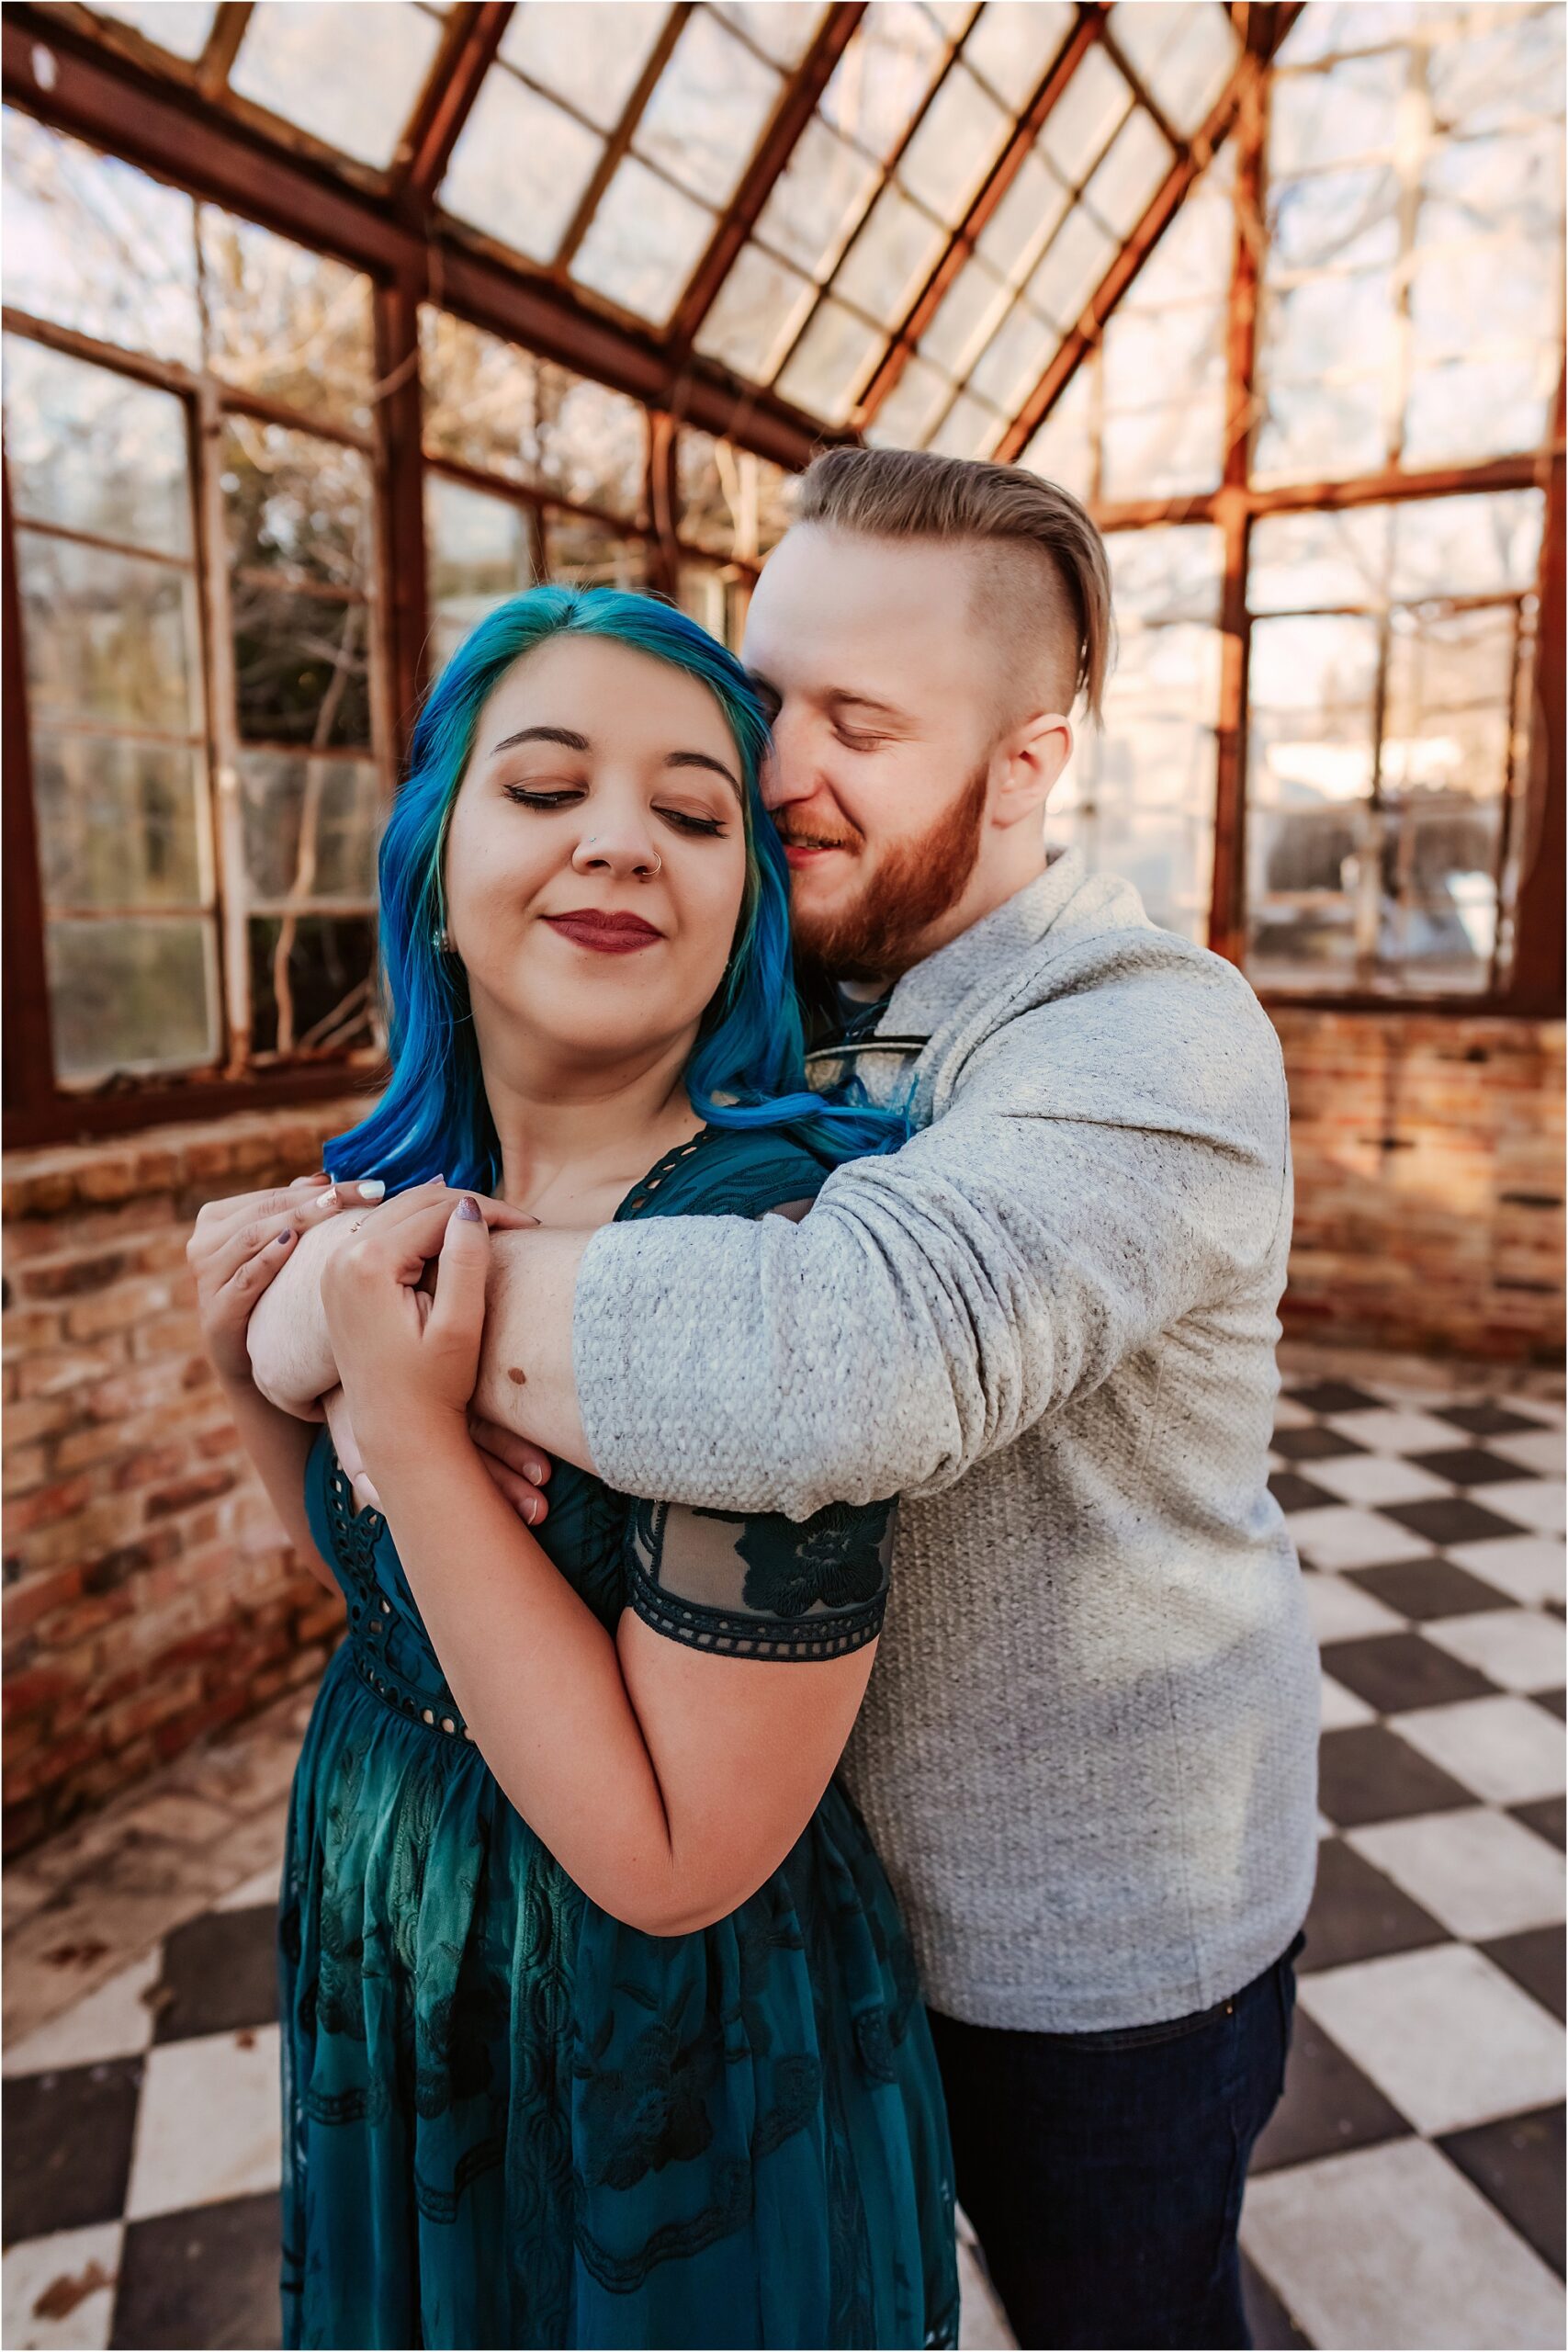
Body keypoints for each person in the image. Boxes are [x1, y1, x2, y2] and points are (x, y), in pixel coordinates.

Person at [247, 449, 1321, 2351]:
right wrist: (301, 1304)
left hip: (1077, 1932)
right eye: (764, 695)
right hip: (781, 1903)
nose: (767, 765)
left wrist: (362, 1314)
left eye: (858, 721)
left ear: (1022, 762)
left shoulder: (1141, 1027)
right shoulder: (781, 975)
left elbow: (832, 1360)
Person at [188, 586, 958, 2351]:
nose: (621, 839)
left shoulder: (775, 1249)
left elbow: (675, 1856)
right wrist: (250, 1356)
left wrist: (402, 1429)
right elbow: (385, 1606)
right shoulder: (397, 1200)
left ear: (746, 909)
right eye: (546, 789)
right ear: (435, 862)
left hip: (662, 2044)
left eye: (694, 815)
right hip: (398, 1935)